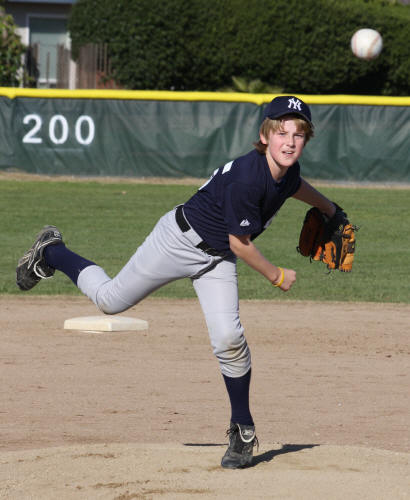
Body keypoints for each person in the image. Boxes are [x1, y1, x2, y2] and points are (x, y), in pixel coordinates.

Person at [16, 95, 339, 469]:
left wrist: (329, 208)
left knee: (229, 338)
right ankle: (52, 251)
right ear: (264, 136)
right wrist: (276, 275)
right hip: (177, 242)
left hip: (217, 259)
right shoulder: (247, 179)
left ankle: (243, 429)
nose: (290, 142)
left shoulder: (286, 171)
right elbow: (240, 243)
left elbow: (295, 186)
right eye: (281, 132)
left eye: (298, 134)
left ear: (306, 140)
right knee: (109, 300)